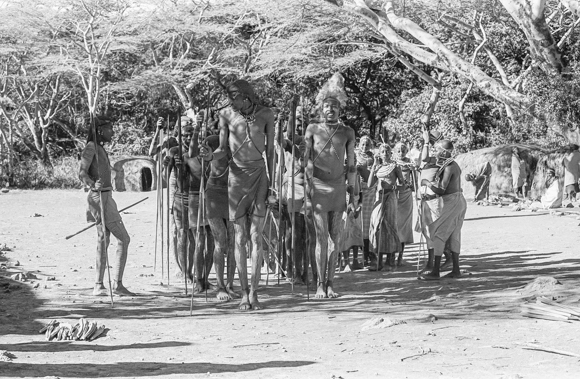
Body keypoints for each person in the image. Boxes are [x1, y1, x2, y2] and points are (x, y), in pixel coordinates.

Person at [207, 79, 275, 310]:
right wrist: (210, 157)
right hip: (236, 179)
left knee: (256, 237)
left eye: (234, 96)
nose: (230, 101)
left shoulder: (266, 114)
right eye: (229, 96)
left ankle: (254, 293)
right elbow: (222, 149)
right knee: (239, 237)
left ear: (246, 96)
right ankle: (244, 293)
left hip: (259, 177)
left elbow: (271, 152)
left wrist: (273, 184)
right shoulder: (226, 115)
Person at [303, 72, 356, 298]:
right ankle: (319, 285)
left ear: (340, 108)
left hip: (338, 189)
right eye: (327, 105)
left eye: (334, 105)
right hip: (318, 188)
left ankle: (331, 282)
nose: (330, 109)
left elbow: (351, 166)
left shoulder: (347, 132)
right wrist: (306, 197)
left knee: (335, 239)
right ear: (321, 108)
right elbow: (306, 164)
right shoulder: (312, 129)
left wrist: (353, 197)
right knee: (321, 238)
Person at [79, 115, 133, 296]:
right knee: (123, 239)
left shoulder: (98, 148)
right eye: (110, 128)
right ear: (100, 130)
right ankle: (116, 285)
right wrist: (91, 184)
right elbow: (82, 173)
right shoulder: (91, 147)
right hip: (99, 197)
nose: (113, 132)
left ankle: (99, 285)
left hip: (105, 196)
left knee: (104, 240)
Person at [419, 139, 467, 280]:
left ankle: (435, 271)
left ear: (444, 151)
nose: (436, 152)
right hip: (457, 200)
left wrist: (426, 183)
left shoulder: (449, 167)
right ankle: (456, 270)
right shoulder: (451, 165)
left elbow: (441, 190)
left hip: (452, 201)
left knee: (439, 234)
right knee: (454, 234)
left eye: (438, 149)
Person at [199, 135, 237, 300]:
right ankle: (220, 287)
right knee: (220, 242)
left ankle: (230, 284)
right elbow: (208, 156)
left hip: (233, 195)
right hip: (214, 195)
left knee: (233, 242)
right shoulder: (214, 144)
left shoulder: (237, 145)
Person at [368, 144, 404, 271]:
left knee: (389, 226)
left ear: (390, 153)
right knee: (377, 226)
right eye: (382, 151)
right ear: (379, 153)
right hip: (379, 198)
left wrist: (394, 187)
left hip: (390, 197)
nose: (385, 153)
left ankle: (390, 260)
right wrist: (373, 166)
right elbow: (369, 184)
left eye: (387, 151)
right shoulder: (378, 167)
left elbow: (402, 184)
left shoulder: (395, 166)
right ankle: (378, 260)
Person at [393, 142, 416, 266]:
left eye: (403, 151)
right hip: (394, 196)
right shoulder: (392, 163)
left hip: (406, 197)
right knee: (394, 225)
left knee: (404, 226)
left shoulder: (410, 164)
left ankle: (400, 257)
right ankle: (392, 254)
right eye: (398, 151)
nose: (401, 153)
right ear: (395, 152)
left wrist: (411, 183)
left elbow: (415, 184)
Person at [356, 136, 375, 267]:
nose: (364, 146)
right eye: (363, 144)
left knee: (368, 223)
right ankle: (361, 254)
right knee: (358, 222)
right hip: (358, 189)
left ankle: (369, 253)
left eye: (367, 144)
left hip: (371, 190)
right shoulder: (355, 155)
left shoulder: (373, 156)